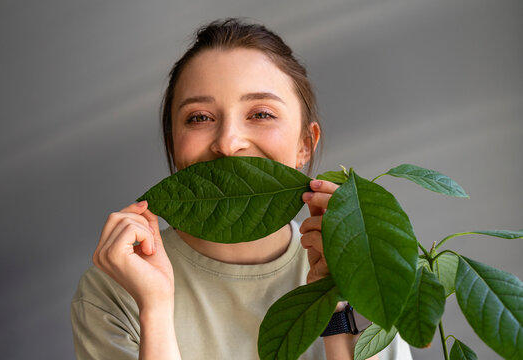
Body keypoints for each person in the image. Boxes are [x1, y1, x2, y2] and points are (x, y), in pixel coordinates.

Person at [71, 18, 413, 360]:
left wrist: (335, 302)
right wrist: (155, 309)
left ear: (305, 146)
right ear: (173, 142)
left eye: (261, 114)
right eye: (200, 117)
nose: (228, 143)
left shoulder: (363, 270)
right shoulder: (114, 289)